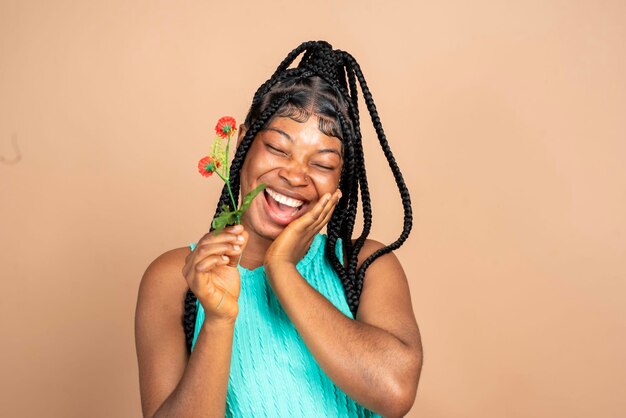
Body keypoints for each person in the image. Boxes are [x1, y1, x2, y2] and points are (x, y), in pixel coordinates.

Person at [135, 40, 423, 418]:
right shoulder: (175, 279)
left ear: (341, 182)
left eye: (321, 164)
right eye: (278, 148)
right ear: (243, 145)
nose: (294, 175)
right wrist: (219, 319)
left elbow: (394, 390)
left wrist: (282, 269)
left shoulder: (366, 266)